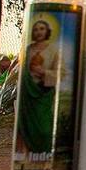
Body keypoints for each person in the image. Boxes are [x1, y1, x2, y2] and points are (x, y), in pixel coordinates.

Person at [17, 19, 59, 155]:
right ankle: (27, 158)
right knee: (26, 126)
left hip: (43, 93)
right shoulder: (28, 49)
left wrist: (44, 72)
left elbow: (61, 72)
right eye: (36, 29)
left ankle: (46, 156)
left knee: (45, 127)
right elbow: (23, 71)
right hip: (28, 93)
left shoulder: (53, 51)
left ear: (47, 31)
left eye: (42, 29)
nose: (39, 32)